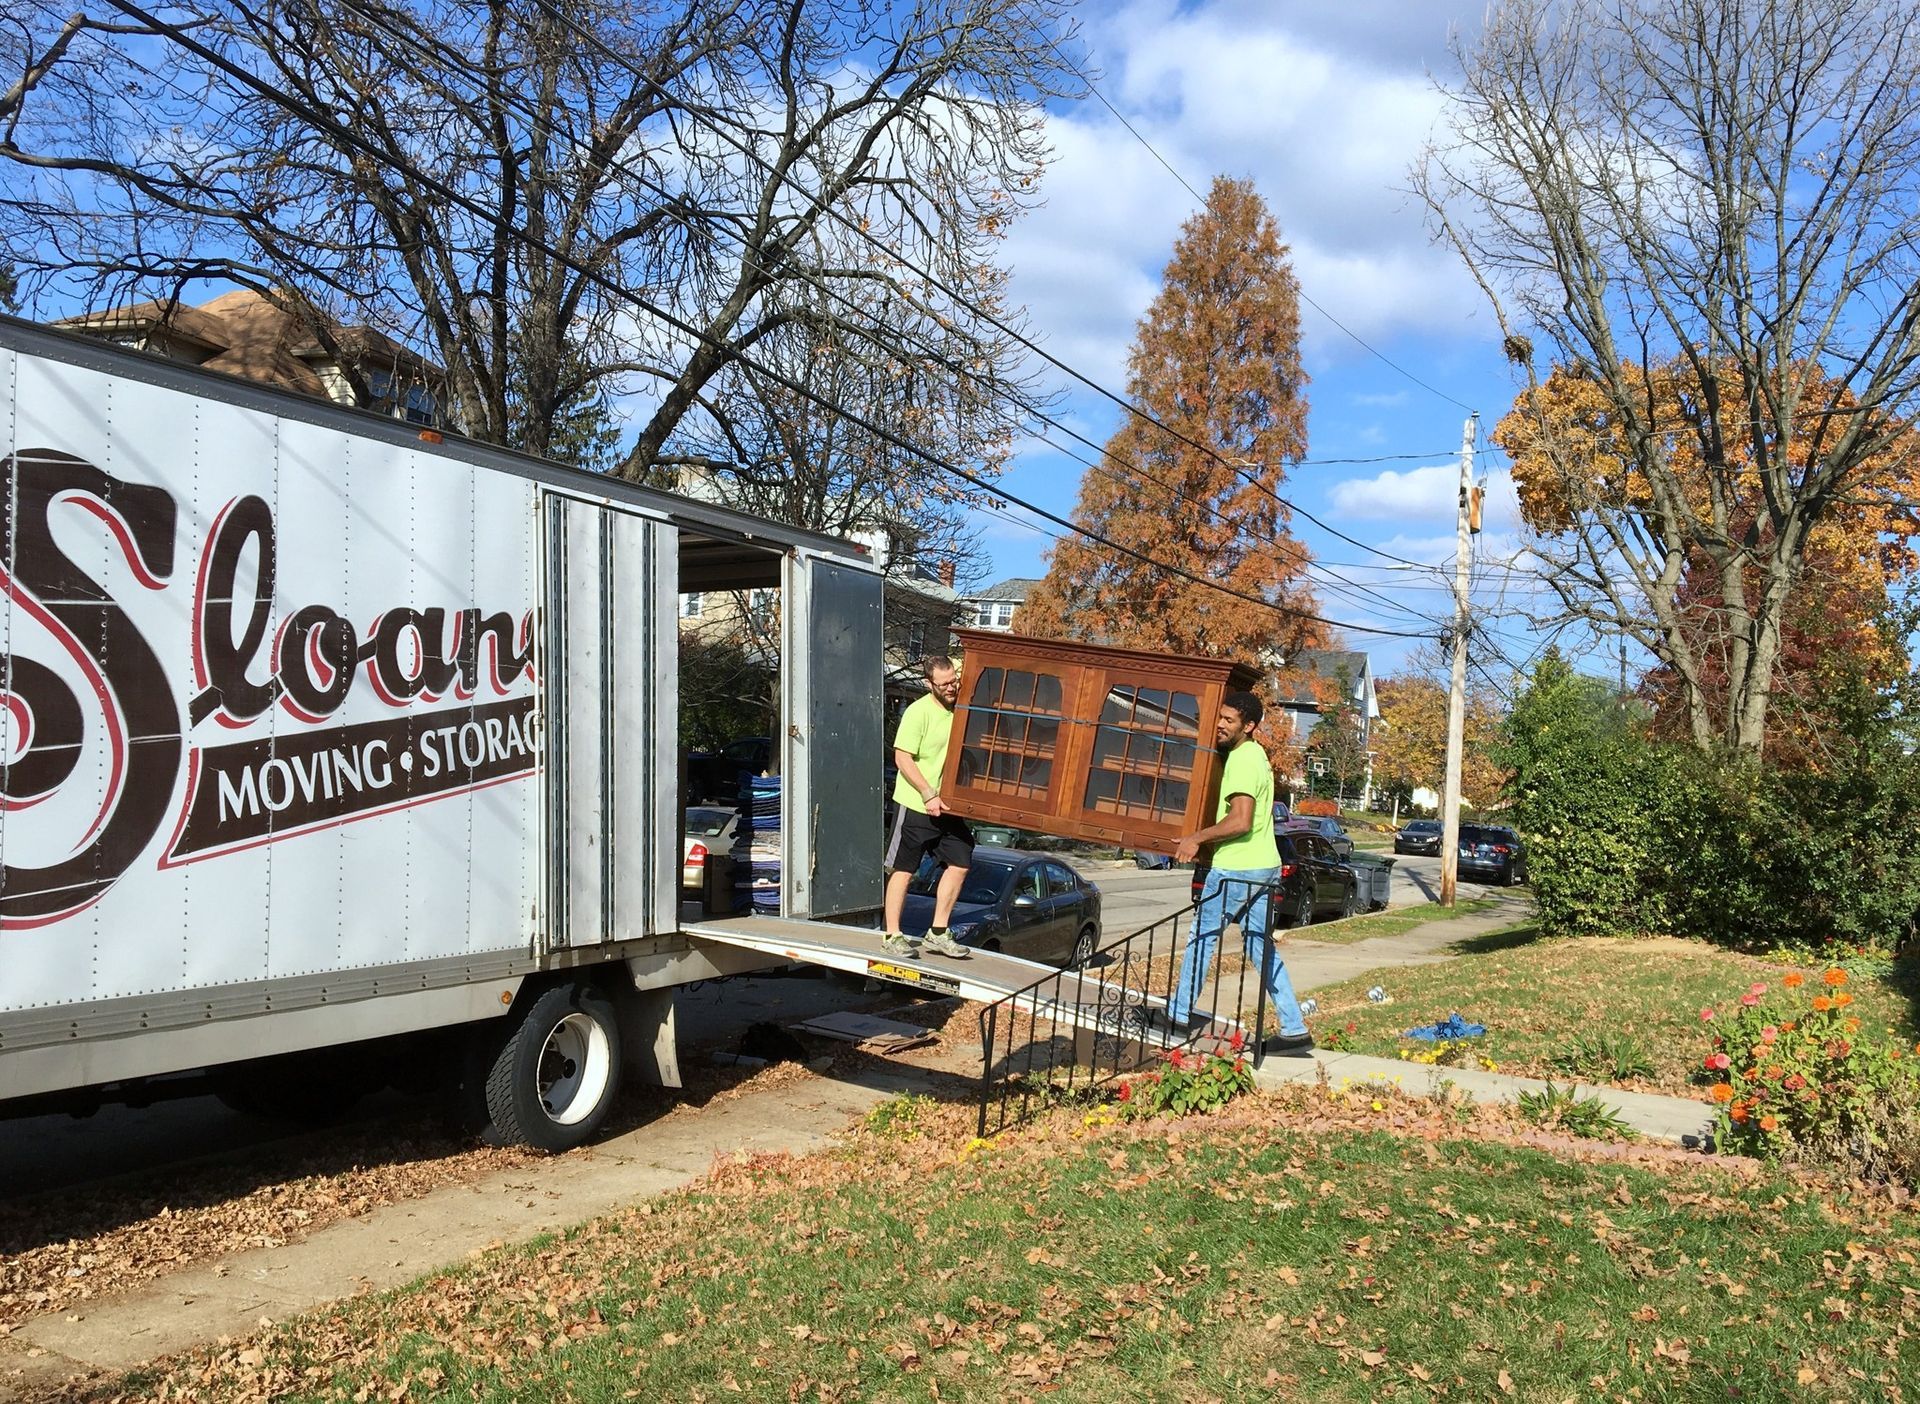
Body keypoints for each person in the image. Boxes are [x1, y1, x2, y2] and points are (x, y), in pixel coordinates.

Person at [1168, 690, 1314, 1055]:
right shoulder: (1255, 755)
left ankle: (1176, 1015)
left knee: (1201, 937)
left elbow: (1240, 820)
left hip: (1238, 867)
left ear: (1248, 726)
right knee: (1259, 947)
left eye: (1228, 720)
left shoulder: (1243, 759)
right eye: (1219, 716)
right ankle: (1294, 1028)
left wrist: (1196, 839)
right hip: (1263, 866)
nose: (1219, 724)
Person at [880, 655, 974, 960]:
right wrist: (926, 793)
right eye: (944, 684)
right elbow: (902, 758)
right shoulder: (918, 712)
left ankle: (937, 932)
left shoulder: (960, 707)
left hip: (948, 806)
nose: (951, 688)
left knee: (960, 861)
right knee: (903, 869)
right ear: (928, 683)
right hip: (915, 803)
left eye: (953, 681)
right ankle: (892, 935)